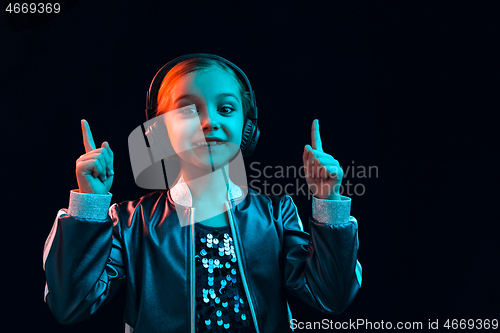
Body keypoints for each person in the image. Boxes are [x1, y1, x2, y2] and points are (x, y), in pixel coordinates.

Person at [43, 54, 362, 333]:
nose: (209, 122)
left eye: (225, 108)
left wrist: (328, 200)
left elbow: (331, 297)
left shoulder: (277, 214)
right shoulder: (130, 222)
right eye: (187, 111)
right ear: (159, 132)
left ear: (246, 127)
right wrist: (89, 204)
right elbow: (71, 304)